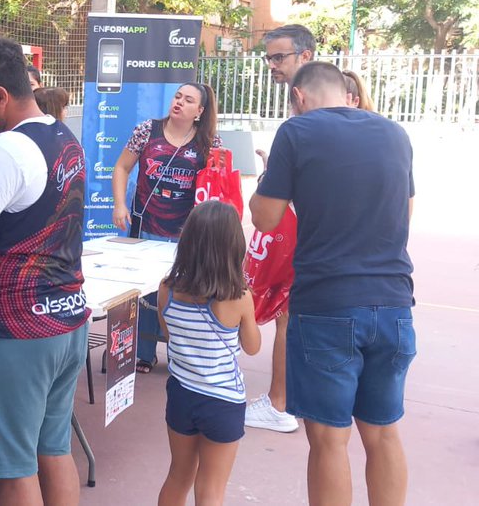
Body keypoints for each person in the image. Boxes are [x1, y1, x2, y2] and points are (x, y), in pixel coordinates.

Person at [250, 62, 415, 506]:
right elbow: (407, 212)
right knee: (382, 434)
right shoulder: (394, 133)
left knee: (328, 440)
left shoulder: (296, 132)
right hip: (394, 303)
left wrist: (270, 178)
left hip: (328, 304)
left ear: (300, 97)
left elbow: (265, 217)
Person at [0, 37, 90, 506]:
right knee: (53, 449)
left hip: (19, 327)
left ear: (0, 96)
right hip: (67, 317)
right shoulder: (62, 135)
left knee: (14, 468)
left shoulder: (7, 147)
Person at [111, 82, 222, 374]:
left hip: (187, 233)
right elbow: (121, 167)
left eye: (188, 100)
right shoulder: (147, 130)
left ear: (199, 111)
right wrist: (119, 204)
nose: (179, 103)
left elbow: (218, 184)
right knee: (147, 293)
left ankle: (181, 354)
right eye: (177, 96)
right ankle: (144, 354)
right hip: (147, 225)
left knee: (184, 292)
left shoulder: (210, 142)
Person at [156, 201, 262, 506]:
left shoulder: (167, 288)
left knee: (178, 476)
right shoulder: (239, 297)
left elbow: (168, 334)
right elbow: (253, 347)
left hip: (182, 394)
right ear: (233, 247)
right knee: (211, 487)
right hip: (223, 401)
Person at [243, 23, 315, 433]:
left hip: (309, 233)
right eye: (269, 56)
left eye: (278, 57)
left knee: (289, 315)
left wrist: (275, 181)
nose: (271, 64)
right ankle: (292, 400)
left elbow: (265, 215)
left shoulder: (305, 110)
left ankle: (280, 404)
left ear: (305, 57)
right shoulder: (310, 102)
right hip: (322, 233)